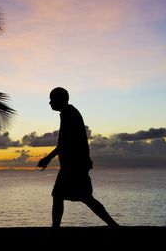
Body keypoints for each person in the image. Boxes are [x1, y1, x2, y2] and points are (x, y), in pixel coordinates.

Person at [38, 87, 119, 228]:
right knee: (81, 197)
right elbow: (64, 144)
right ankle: (113, 225)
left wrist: (48, 158)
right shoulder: (69, 113)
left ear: (60, 99)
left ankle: (55, 229)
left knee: (64, 196)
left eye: (52, 99)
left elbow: (64, 143)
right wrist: (49, 158)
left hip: (74, 165)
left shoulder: (69, 114)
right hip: (75, 164)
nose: (50, 103)